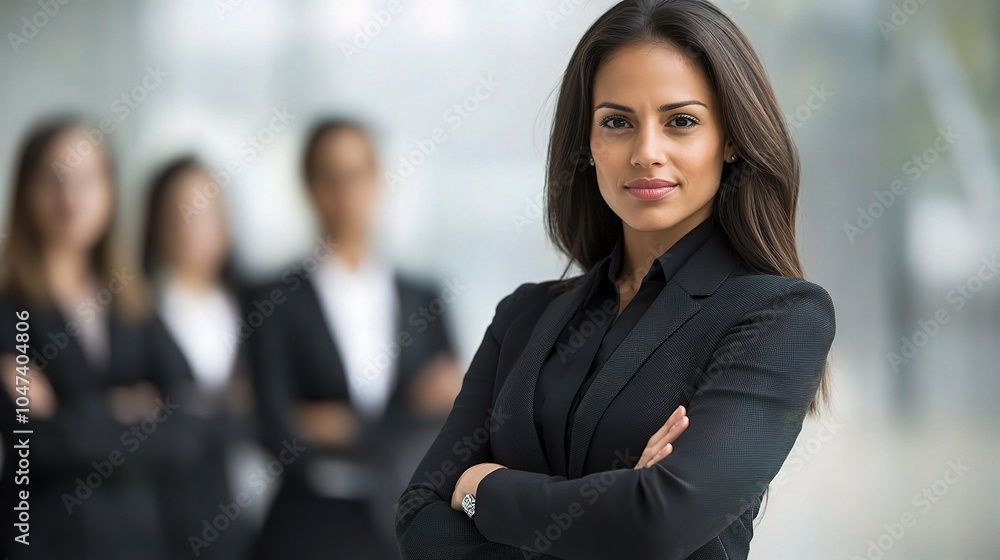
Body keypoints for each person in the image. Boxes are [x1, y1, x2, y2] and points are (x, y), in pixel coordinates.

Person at [394, 1, 837, 558]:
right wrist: (620, 502)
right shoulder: (523, 316)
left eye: (681, 121)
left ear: (729, 140)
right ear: (589, 143)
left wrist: (483, 490)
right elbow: (418, 519)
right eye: (617, 122)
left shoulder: (779, 315)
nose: (646, 153)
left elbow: (659, 521)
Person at [247, 118, 463, 560]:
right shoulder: (274, 301)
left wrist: (341, 425)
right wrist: (407, 414)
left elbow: (453, 429)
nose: (346, 191)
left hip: (404, 522)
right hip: (309, 525)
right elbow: (273, 431)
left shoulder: (424, 300)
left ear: (378, 180)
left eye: (357, 174)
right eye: (331, 175)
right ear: (308, 185)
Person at [0, 118, 190, 560]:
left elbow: (187, 424)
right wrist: (127, 409)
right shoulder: (10, 309)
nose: (71, 198)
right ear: (25, 190)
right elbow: (33, 442)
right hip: (41, 539)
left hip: (134, 538)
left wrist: (72, 413)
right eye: (53, 179)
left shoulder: (132, 302)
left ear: (109, 190)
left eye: (87, 179)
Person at [140, 156, 256, 559]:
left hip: (238, 510)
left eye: (204, 212)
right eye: (178, 212)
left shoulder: (253, 308)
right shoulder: (133, 307)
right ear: (154, 221)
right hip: (156, 513)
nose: (190, 225)